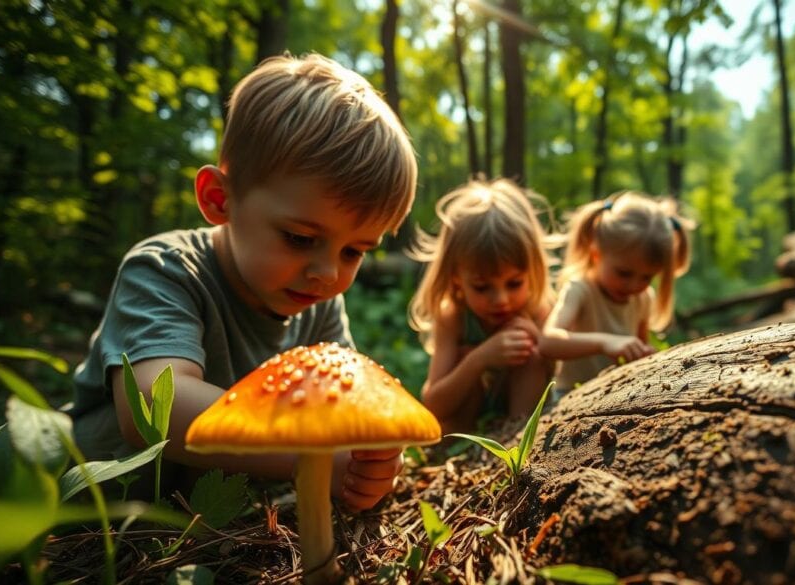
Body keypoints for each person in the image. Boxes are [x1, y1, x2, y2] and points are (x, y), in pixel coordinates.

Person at [69, 53, 418, 511]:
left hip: (212, 520)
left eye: (354, 251)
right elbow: (154, 409)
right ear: (219, 199)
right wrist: (309, 458)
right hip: (98, 512)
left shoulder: (320, 305)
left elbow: (348, 413)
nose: (329, 273)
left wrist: (368, 463)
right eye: (299, 237)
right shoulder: (166, 269)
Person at [408, 178, 556, 434]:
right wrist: (479, 359)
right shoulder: (453, 317)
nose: (501, 300)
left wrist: (540, 340)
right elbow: (433, 405)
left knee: (531, 353)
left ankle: (517, 438)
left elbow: (562, 381)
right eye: (481, 286)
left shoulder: (536, 309)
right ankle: (460, 455)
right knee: (464, 357)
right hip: (464, 432)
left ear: (533, 270)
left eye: (514, 283)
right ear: (457, 278)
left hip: (521, 419)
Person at [540, 192, 692, 396]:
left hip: (616, 393)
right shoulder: (581, 289)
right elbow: (548, 342)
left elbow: (640, 348)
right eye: (624, 273)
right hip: (569, 394)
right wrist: (605, 342)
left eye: (647, 277)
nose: (634, 285)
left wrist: (644, 355)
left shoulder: (644, 297)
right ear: (596, 254)